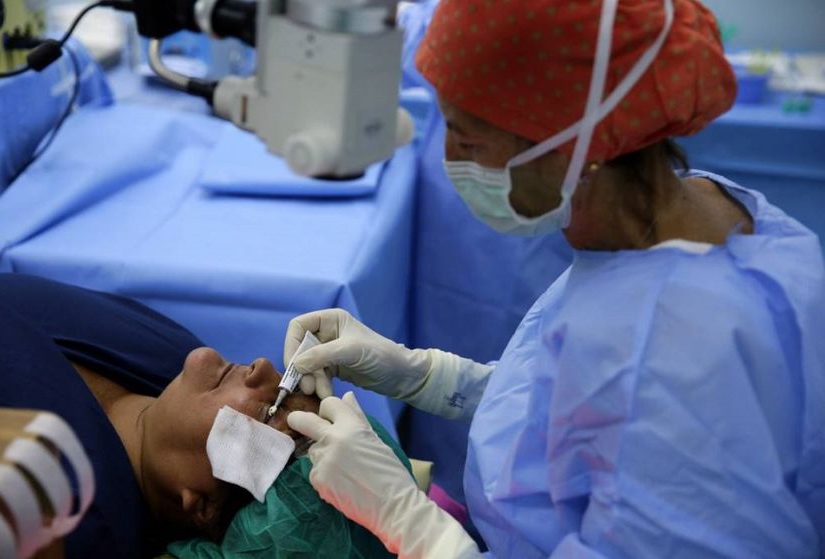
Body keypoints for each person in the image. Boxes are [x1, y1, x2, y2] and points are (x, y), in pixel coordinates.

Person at [283, 1, 825, 558]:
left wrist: (415, 526)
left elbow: (644, 402)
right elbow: (592, 416)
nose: (449, 159)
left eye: (469, 141)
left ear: (574, 147)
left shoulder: (675, 358)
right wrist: (426, 376)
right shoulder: (701, 211)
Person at [0, 273, 398, 559]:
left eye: (271, 412)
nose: (265, 369)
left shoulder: (65, 514)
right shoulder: (170, 359)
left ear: (201, 505)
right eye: (290, 390)